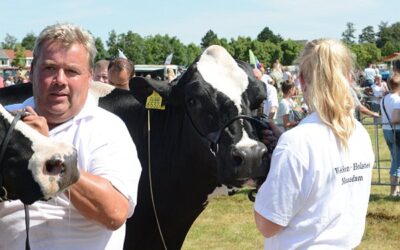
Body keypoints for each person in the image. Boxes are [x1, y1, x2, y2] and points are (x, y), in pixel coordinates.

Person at [0, 23, 142, 250]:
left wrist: (45, 150)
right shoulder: (6, 120)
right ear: (32, 70)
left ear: (89, 77)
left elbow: (114, 213)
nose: (60, 80)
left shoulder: (107, 129)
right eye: (49, 68)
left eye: (72, 71)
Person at [254, 39, 374, 249]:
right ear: (349, 77)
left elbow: (268, 224)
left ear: (300, 80)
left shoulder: (297, 143)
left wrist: (264, 179)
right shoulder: (360, 134)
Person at [380, 73, 400, 196]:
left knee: (395, 160)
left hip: (387, 131)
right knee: (397, 162)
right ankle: (393, 192)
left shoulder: (384, 98)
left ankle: (395, 190)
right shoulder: (397, 99)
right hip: (396, 131)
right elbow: (395, 119)